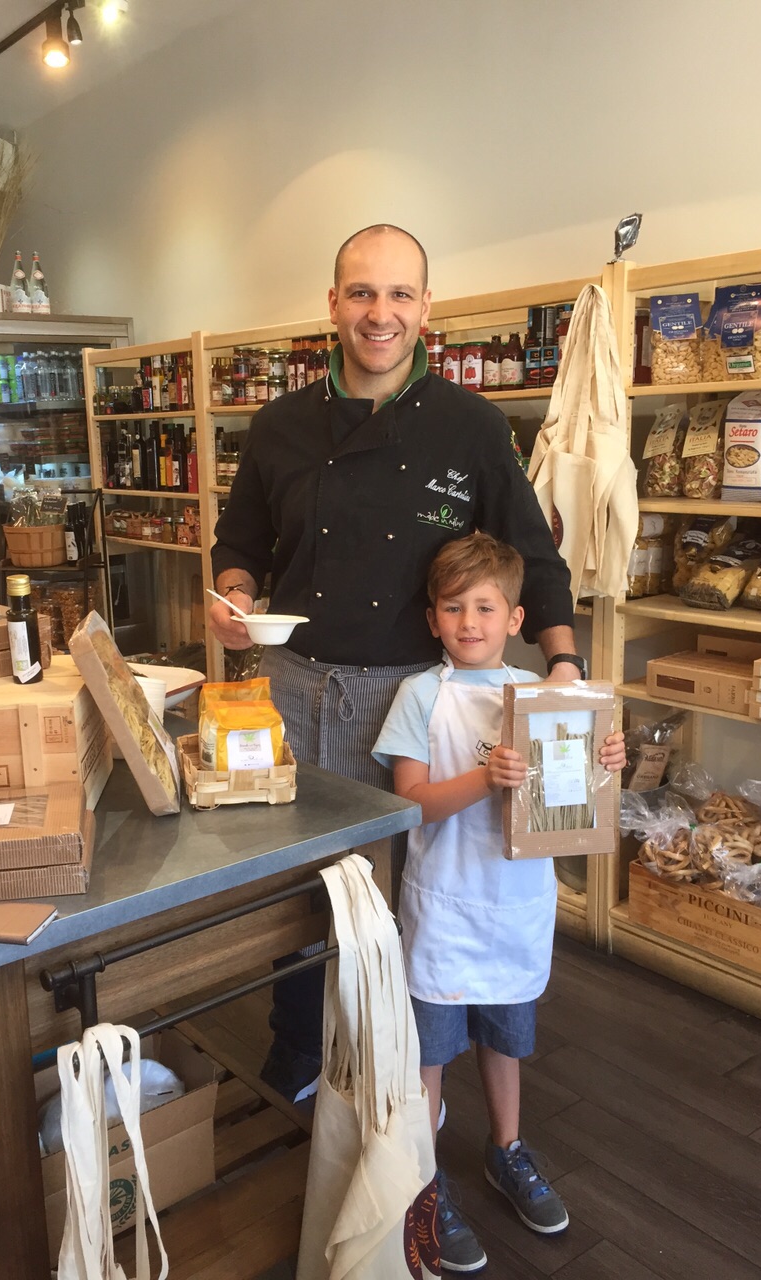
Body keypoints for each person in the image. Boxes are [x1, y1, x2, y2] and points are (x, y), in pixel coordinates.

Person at [209, 224, 584, 1101]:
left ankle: (397, 1073)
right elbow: (241, 543)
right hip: (291, 687)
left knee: (400, 897)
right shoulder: (279, 424)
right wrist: (234, 597)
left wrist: (563, 665)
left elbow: (534, 555)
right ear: (333, 304)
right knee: (295, 885)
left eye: (400, 294)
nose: (381, 314)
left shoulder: (471, 426)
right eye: (362, 294)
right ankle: (300, 1049)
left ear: (426, 307)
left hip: (406, 699)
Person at [373, 533, 625, 1273]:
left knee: (506, 1036)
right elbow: (411, 803)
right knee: (431, 1051)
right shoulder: (421, 695)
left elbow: (576, 797)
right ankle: (423, 1181)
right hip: (444, 904)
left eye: (485, 608)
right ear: (433, 619)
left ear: (516, 619)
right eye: (453, 608)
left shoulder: (546, 698)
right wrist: (485, 779)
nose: (469, 622)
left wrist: (604, 759)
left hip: (517, 904)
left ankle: (506, 1149)